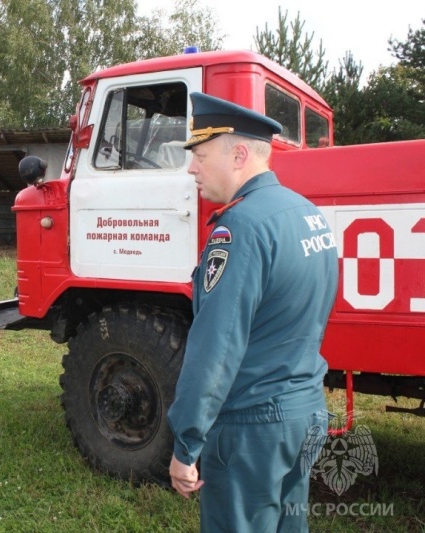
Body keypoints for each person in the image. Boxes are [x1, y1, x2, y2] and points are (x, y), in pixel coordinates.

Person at [166, 93, 338, 532]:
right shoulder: (306, 213)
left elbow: (216, 347)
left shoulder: (238, 228)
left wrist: (186, 443)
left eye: (201, 155)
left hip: (252, 424)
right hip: (305, 412)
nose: (192, 168)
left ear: (239, 154)